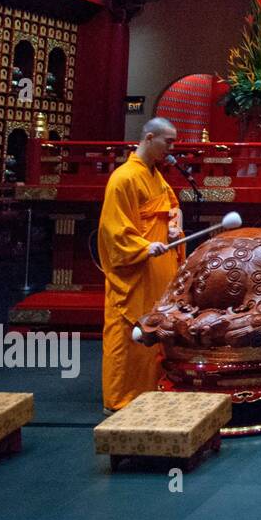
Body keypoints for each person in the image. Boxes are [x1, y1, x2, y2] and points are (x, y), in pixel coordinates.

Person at [98, 118, 184, 413]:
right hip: (135, 270)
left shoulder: (156, 176)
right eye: (168, 142)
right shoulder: (123, 178)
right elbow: (114, 230)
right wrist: (144, 246)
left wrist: (174, 228)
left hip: (159, 271)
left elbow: (173, 208)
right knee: (129, 335)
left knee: (155, 331)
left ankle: (153, 389)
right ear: (149, 138)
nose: (172, 149)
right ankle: (121, 399)